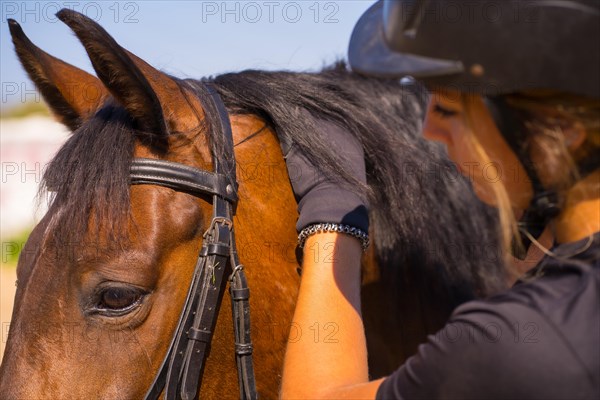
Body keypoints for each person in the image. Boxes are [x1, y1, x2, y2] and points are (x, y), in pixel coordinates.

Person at [279, 1, 599, 399]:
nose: (429, 128)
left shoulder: (518, 345)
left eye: (448, 108)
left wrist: (332, 211)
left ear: (559, 129)